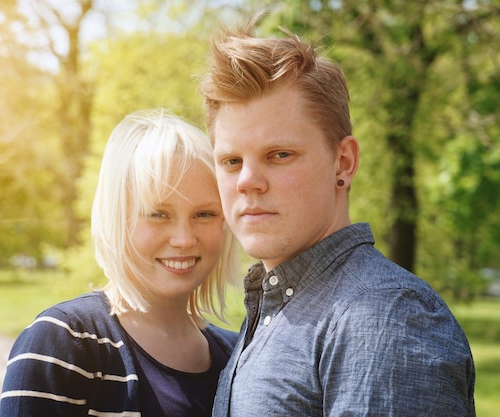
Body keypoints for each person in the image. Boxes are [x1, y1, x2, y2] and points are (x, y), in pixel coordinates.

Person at [199, 15, 476, 417]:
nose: (248, 181)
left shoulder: (384, 318)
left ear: (342, 162)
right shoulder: (273, 308)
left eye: (280, 155)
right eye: (231, 160)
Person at [0, 109, 241, 417]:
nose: (184, 239)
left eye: (204, 214)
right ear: (117, 218)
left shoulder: (236, 355)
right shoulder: (64, 343)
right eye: (158, 214)